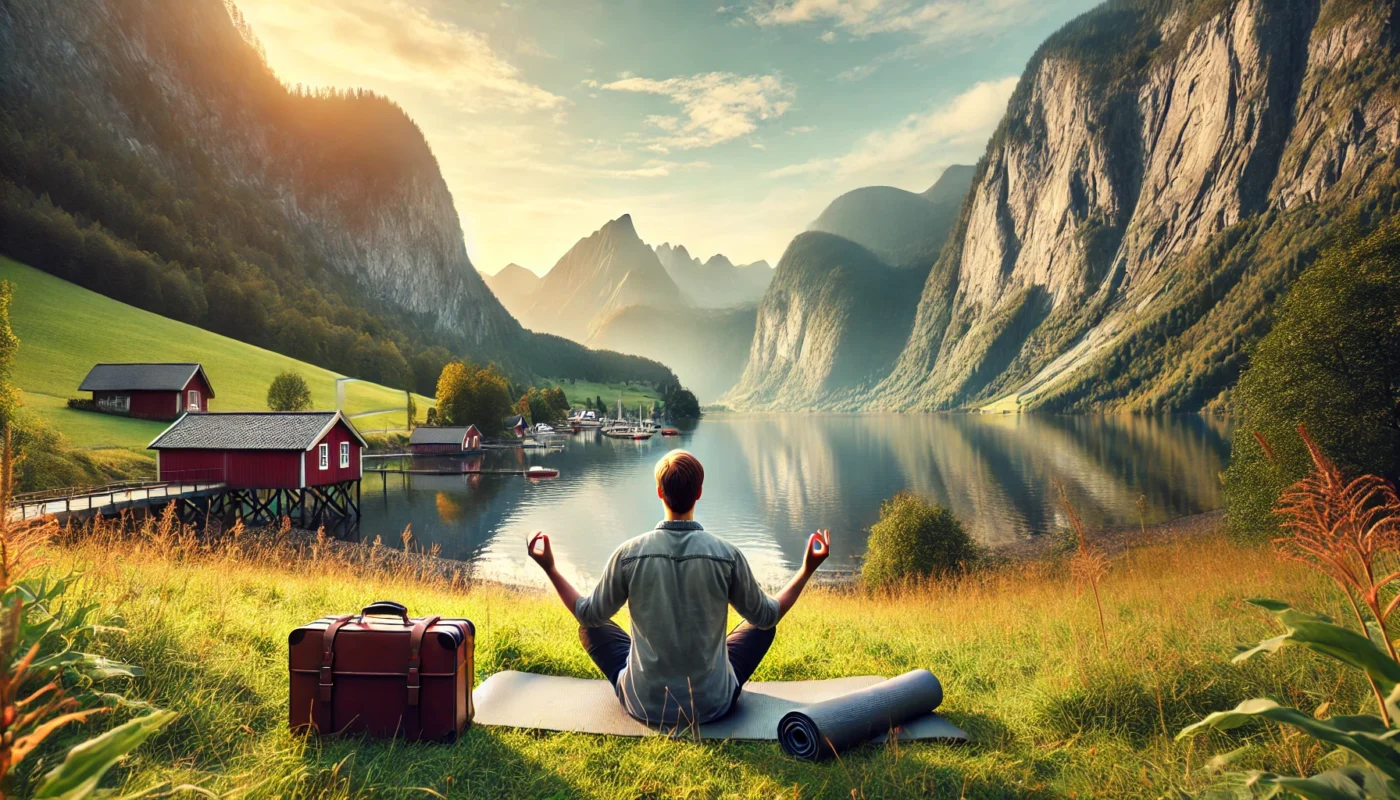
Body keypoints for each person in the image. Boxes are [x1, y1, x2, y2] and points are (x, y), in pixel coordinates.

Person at [526, 449, 830, 728]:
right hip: (713, 705)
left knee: (590, 627)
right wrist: (807, 569)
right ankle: (709, 677)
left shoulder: (628, 554)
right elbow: (768, 616)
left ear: (659, 492)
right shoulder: (727, 555)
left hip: (643, 704)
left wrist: (550, 567)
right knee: (763, 627)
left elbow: (587, 613)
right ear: (699, 493)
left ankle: (647, 675)